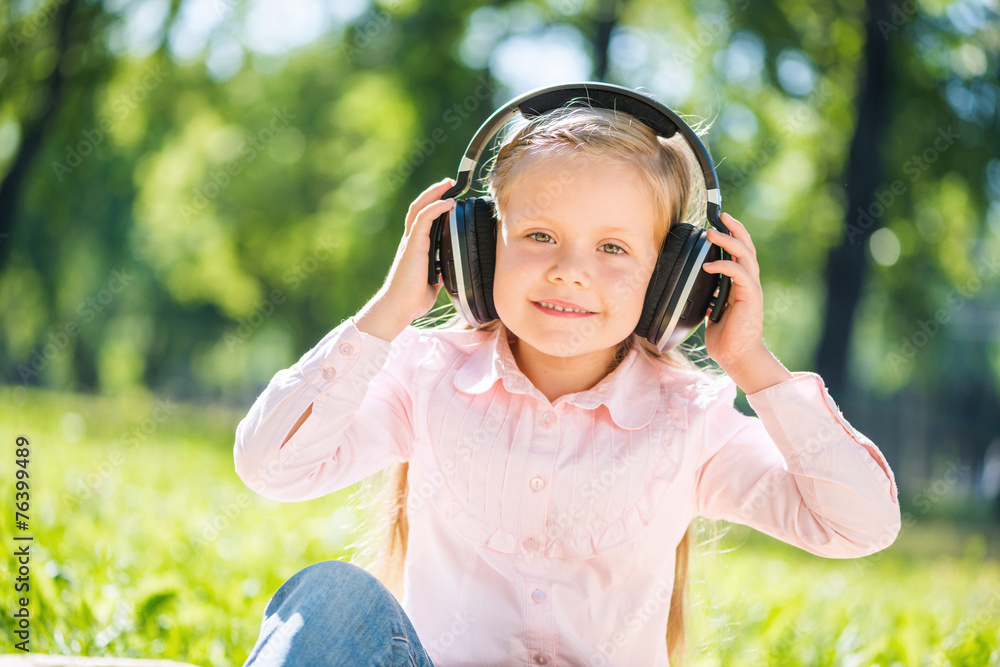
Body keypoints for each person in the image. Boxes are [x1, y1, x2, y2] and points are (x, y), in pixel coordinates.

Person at [233, 101, 901, 666]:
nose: (570, 271)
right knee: (331, 596)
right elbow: (272, 465)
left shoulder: (690, 420)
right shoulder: (424, 375)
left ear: (674, 281)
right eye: (540, 234)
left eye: (613, 248)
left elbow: (860, 525)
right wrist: (386, 313)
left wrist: (752, 361)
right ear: (478, 249)